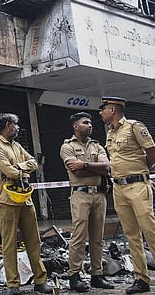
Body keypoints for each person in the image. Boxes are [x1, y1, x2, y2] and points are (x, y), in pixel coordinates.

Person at [100, 97, 155, 295]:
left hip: (137, 187)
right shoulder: (110, 132)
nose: (100, 113)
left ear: (112, 110)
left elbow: (152, 153)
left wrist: (141, 174)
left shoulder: (134, 127)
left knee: (150, 232)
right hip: (118, 188)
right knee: (131, 236)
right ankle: (141, 279)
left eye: (103, 110)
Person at [0, 112, 53, 294]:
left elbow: (34, 163)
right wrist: (20, 170)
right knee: (9, 244)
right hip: (6, 201)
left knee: (34, 241)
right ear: (8, 125)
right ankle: (13, 284)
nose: (18, 127)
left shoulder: (17, 146)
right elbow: (10, 173)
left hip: (25, 199)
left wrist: (20, 167)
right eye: (16, 124)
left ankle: (41, 281)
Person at [60, 112, 115, 292]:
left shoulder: (97, 145)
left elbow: (107, 167)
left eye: (90, 122)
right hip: (80, 195)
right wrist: (96, 169)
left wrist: (84, 164)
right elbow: (76, 173)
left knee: (97, 237)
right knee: (79, 236)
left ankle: (97, 275)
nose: (89, 125)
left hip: (99, 196)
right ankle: (74, 275)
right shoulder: (67, 147)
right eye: (85, 123)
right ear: (76, 127)